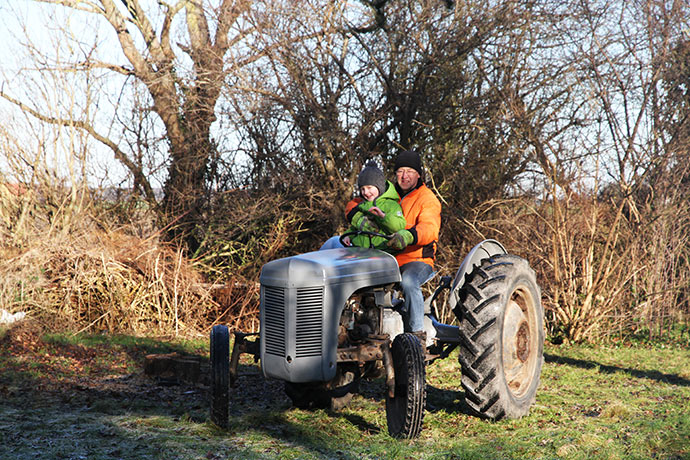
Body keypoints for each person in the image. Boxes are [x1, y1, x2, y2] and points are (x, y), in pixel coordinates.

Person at [347, 150, 441, 343]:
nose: (404, 176)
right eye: (400, 171)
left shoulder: (427, 198)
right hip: (387, 258)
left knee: (408, 281)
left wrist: (407, 236)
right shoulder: (385, 193)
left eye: (409, 171)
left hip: (416, 259)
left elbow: (429, 229)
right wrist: (359, 220)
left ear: (418, 174)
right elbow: (352, 205)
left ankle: (416, 336)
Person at [343, 161, 406, 252]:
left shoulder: (391, 205)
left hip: (381, 252)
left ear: (379, 187)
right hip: (360, 252)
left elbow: (399, 226)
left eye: (369, 188)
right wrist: (348, 235)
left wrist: (383, 216)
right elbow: (355, 227)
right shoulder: (362, 205)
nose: (366, 192)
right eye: (362, 189)